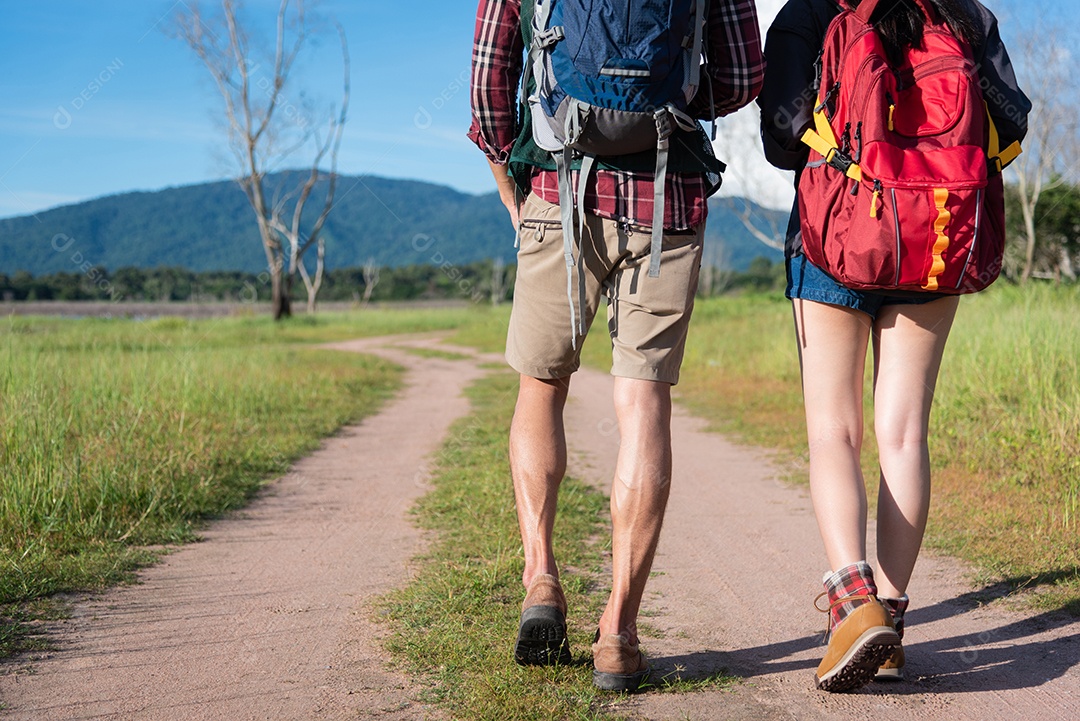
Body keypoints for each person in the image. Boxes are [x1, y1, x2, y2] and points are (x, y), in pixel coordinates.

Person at [469, 0, 765, 691]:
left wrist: (518, 183)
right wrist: (666, 92)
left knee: (542, 386)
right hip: (669, 190)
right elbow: (745, 73)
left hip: (557, 181)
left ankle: (541, 575)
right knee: (645, 405)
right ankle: (620, 634)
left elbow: (488, 87)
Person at [758, 0, 1029, 693]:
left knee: (834, 429)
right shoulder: (965, 15)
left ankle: (854, 604)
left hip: (835, 234)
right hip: (937, 231)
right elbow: (1013, 120)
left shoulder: (811, 13)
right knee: (904, 432)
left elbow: (782, 136)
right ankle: (895, 620)